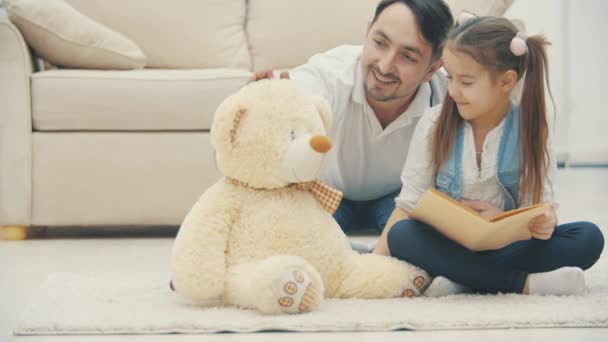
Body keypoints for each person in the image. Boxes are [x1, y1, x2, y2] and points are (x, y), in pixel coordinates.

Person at [374, 13, 604, 296]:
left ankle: (462, 277)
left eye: (467, 82)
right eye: (451, 79)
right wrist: (372, 266)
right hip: (448, 241)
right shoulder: (434, 123)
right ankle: (523, 284)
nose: (454, 91)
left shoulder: (533, 131)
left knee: (589, 238)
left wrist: (537, 221)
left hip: (508, 244)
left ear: (506, 82)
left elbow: (541, 208)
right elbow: (407, 204)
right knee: (402, 236)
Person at [253, 0, 454, 236]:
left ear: (431, 70)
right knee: (301, 234)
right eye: (380, 43)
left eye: (407, 57)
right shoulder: (329, 75)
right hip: (327, 192)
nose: (385, 65)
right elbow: (270, 110)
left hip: (398, 196)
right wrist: (260, 103)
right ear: (368, 33)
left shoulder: (448, 96)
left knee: (416, 236)